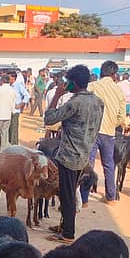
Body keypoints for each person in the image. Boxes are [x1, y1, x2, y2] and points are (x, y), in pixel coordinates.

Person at [43, 65, 104, 243]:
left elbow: (49, 119)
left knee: (67, 194)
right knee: (69, 191)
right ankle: (64, 224)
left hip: (69, 155)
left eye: (68, 81)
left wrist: (57, 95)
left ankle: (68, 233)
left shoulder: (74, 103)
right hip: (85, 152)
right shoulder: (97, 101)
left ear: (74, 83)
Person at [87, 60, 127, 204]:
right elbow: (122, 117)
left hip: (92, 131)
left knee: (89, 164)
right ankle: (111, 196)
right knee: (109, 165)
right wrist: (111, 124)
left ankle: (84, 198)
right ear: (114, 74)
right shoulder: (118, 90)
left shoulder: (92, 86)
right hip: (109, 133)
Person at [9, 71, 30, 145]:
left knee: (14, 129)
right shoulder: (8, 85)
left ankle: (14, 144)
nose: (8, 79)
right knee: (9, 128)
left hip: (15, 111)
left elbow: (27, 95)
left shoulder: (18, 85)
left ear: (13, 78)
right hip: (8, 110)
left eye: (9, 77)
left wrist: (21, 104)